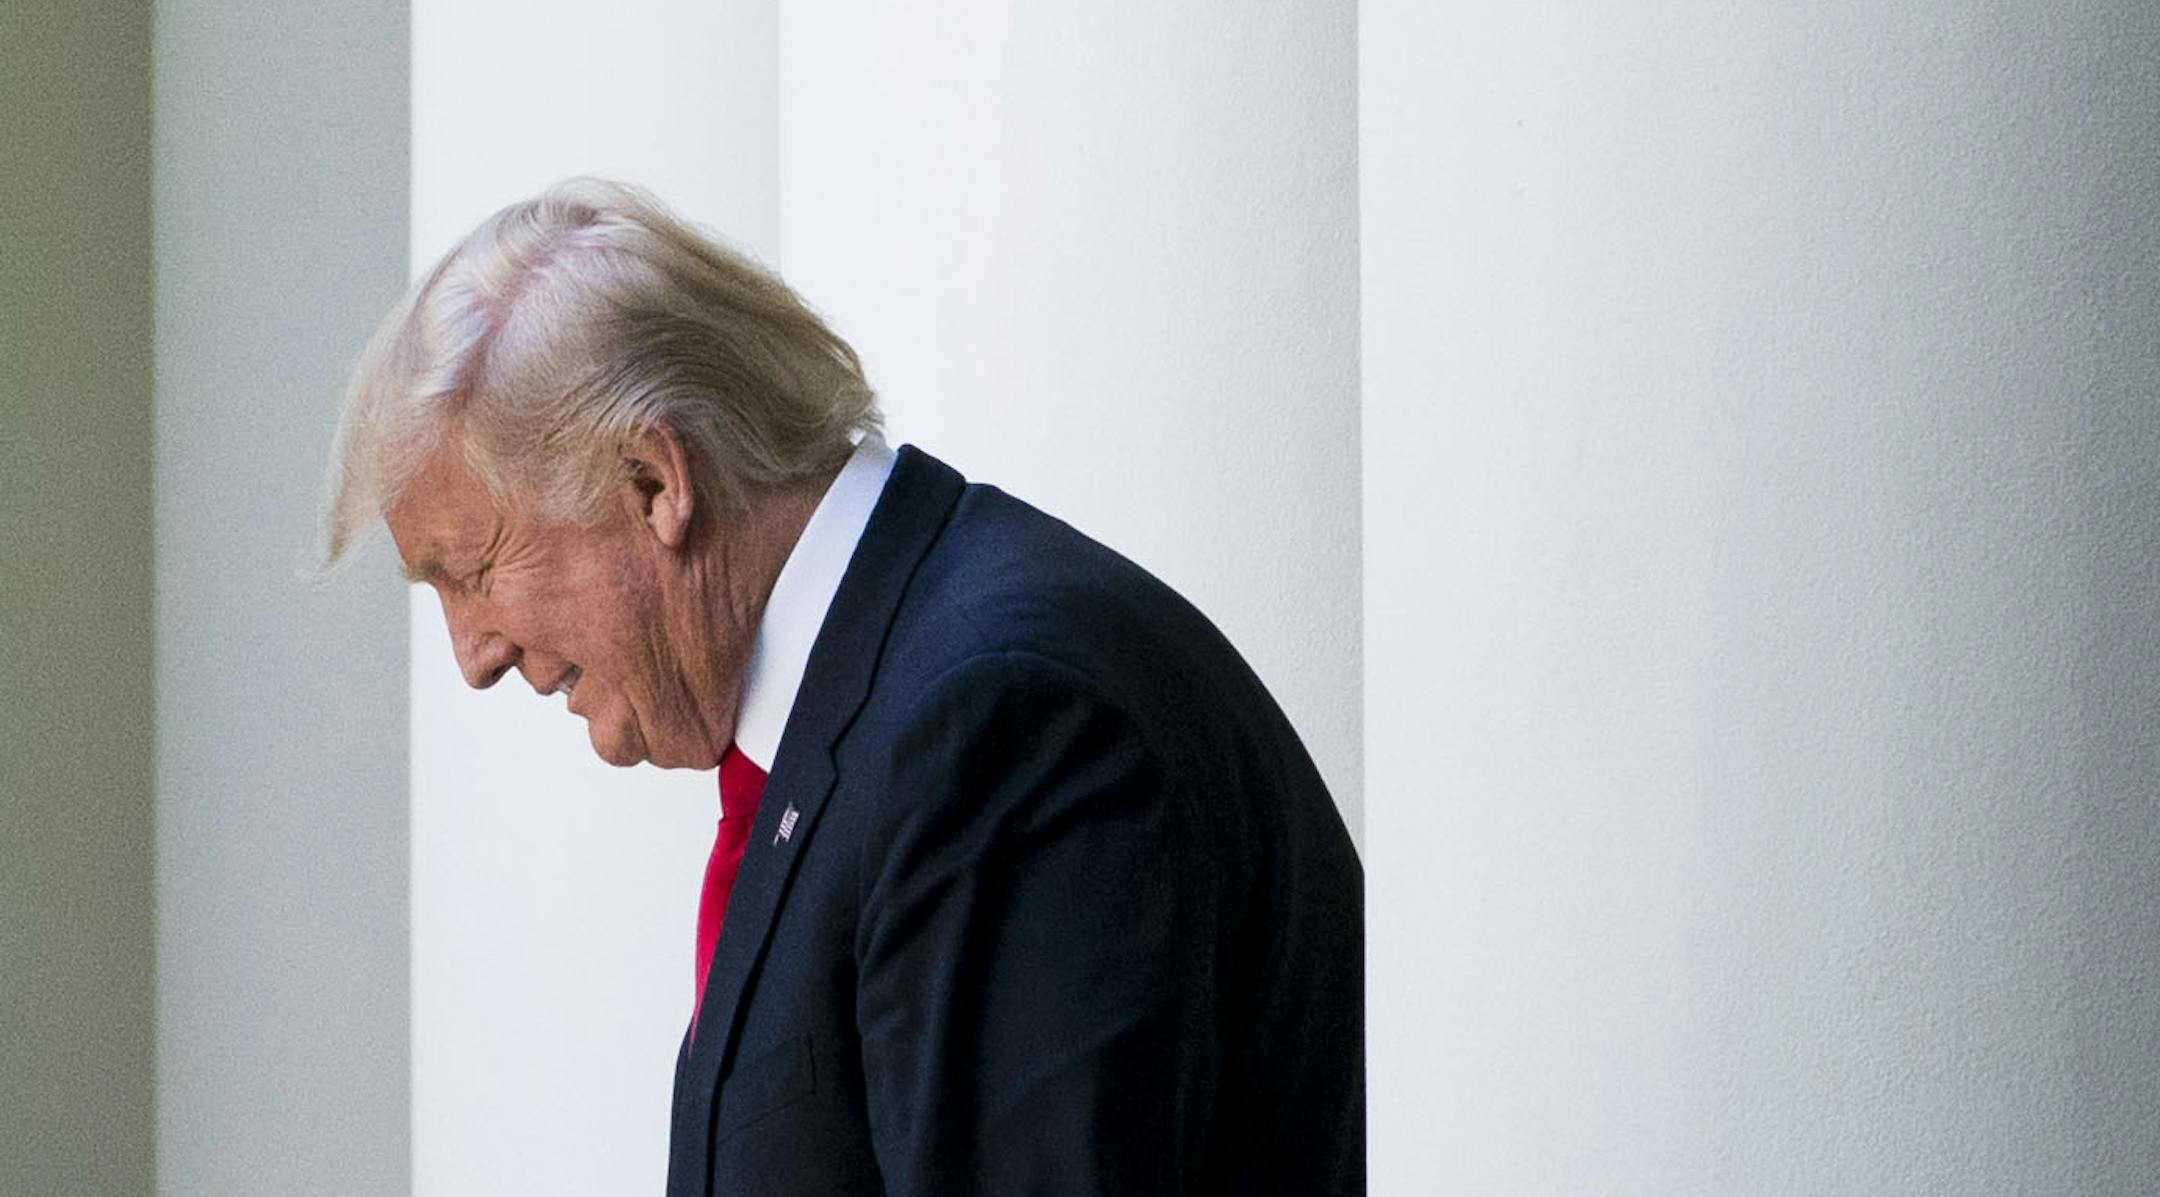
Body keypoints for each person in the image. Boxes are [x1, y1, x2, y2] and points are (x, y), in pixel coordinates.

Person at [325, 178, 1363, 1196]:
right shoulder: (892, 705)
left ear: (654, 482)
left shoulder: (995, 722)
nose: (474, 656)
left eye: (472, 569)